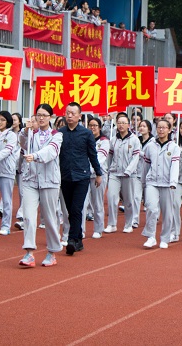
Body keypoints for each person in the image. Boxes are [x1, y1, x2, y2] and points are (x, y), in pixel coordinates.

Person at [19, 104, 63, 268]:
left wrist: (35, 156)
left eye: (44, 115)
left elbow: (51, 152)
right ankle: (29, 252)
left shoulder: (56, 135)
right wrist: (25, 131)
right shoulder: (32, 133)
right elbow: (22, 144)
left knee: (50, 218)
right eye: (38, 115)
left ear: (50, 117)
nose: (41, 118)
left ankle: (52, 251)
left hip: (49, 181)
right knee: (29, 216)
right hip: (31, 179)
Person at [58, 102, 102, 256]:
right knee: (70, 210)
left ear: (79, 116)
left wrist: (98, 173)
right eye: (67, 112)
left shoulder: (86, 133)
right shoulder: (59, 133)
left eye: (73, 113)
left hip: (82, 177)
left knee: (77, 209)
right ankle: (78, 240)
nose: (69, 115)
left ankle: (71, 240)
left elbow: (92, 154)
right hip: (65, 177)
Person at [141, 119, 180, 249]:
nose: (161, 130)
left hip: (168, 183)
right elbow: (146, 165)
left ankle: (165, 237)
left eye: (164, 128)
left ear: (169, 130)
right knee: (151, 208)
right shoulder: (150, 146)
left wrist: (173, 182)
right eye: (159, 127)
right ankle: (151, 236)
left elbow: (175, 166)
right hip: (152, 181)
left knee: (167, 212)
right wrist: (143, 181)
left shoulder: (174, 147)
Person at [106, 113, 141, 234]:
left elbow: (136, 157)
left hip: (129, 174)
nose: (121, 125)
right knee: (111, 197)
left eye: (123, 123)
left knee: (129, 200)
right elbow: (110, 156)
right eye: (119, 123)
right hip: (114, 173)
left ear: (128, 125)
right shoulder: (113, 139)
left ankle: (129, 223)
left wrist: (129, 170)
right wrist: (108, 169)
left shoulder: (134, 140)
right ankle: (112, 224)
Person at [85, 116, 109, 238]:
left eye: (95, 125)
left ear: (100, 127)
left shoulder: (104, 141)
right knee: (83, 203)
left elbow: (100, 158)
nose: (92, 127)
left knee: (97, 203)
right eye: (90, 125)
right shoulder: (84, 139)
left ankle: (98, 229)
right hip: (84, 175)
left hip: (98, 175)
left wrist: (93, 170)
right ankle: (80, 230)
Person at [133, 119, 154, 228]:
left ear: (149, 129)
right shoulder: (135, 140)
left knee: (150, 200)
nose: (141, 128)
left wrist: (138, 152)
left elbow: (149, 155)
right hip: (137, 172)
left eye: (144, 126)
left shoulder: (154, 142)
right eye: (140, 126)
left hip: (150, 173)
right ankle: (134, 220)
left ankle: (153, 217)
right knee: (136, 197)